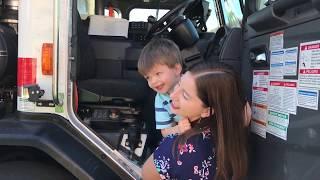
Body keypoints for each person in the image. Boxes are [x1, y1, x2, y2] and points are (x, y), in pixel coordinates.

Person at [142, 61, 249, 180]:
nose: (172, 95)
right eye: (178, 84)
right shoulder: (232, 133)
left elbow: (147, 175)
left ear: (207, 111)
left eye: (185, 95)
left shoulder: (179, 148)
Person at [138, 38, 191, 137]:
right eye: (148, 77)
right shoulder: (160, 99)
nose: (153, 81)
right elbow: (165, 132)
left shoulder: (192, 83)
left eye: (158, 73)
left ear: (176, 69)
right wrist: (178, 128)